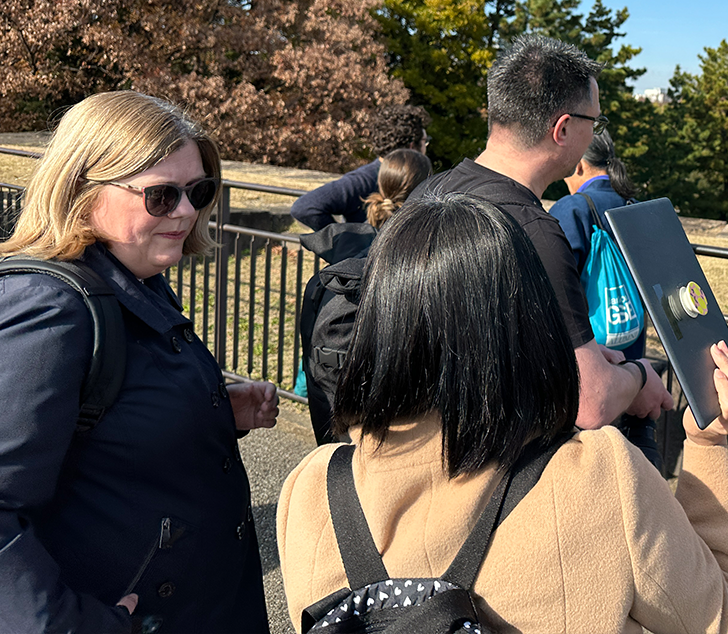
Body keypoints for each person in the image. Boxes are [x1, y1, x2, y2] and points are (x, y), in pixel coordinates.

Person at [276, 192, 728, 633]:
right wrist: (710, 445)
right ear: (529, 321)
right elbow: (720, 622)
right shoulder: (600, 476)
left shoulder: (312, 487)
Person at [0, 91, 276, 633]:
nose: (187, 211)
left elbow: (111, 419)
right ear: (83, 189)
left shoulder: (137, 281)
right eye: (161, 195)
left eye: (199, 191)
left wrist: (212, 405)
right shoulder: (51, 307)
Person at [412, 34, 673, 432]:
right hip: (496, 465)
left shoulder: (427, 194)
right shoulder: (534, 232)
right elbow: (592, 402)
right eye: (595, 121)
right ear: (564, 128)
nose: (594, 132)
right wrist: (639, 374)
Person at [298, 147, 432, 445]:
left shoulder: (347, 249)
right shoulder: (417, 260)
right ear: (425, 189)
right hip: (389, 427)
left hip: (331, 416)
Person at [549, 131, 661, 464]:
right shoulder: (634, 205)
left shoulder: (572, 210)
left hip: (591, 360)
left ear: (580, 166)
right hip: (632, 350)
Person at [291, 104, 431, 230]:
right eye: (425, 141)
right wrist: (345, 245)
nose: (426, 147)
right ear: (412, 146)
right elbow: (305, 207)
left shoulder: (367, 177)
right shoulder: (363, 180)